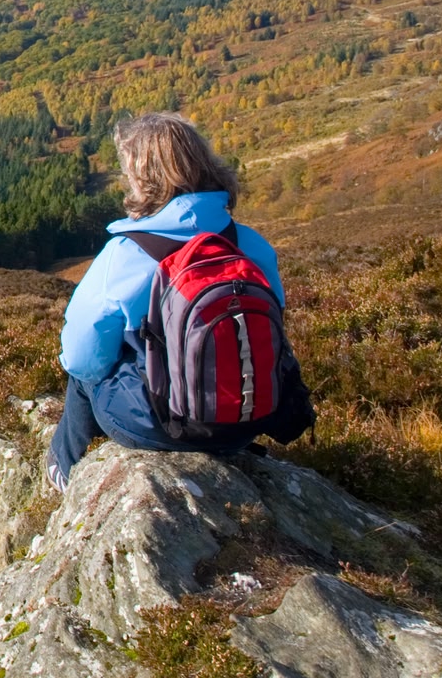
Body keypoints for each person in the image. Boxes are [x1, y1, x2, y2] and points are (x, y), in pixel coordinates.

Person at [45, 111, 285, 491]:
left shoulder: (126, 255)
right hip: (249, 420)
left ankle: (64, 467)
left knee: (83, 374)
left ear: (143, 179)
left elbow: (82, 358)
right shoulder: (250, 245)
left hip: (167, 426)